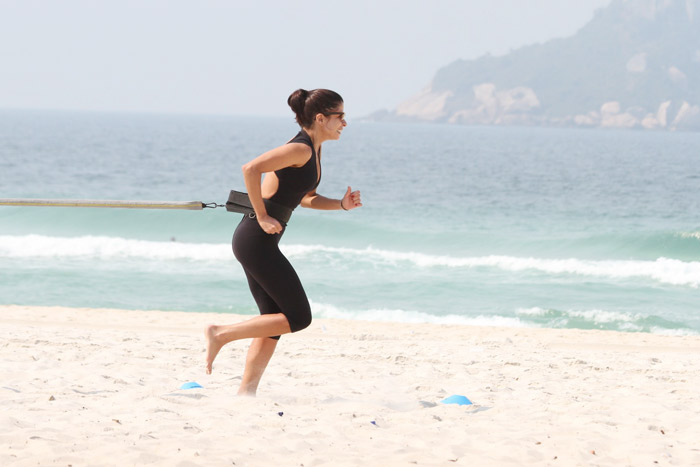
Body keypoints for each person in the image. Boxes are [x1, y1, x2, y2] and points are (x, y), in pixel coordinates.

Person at [204, 88, 362, 395]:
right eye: (340, 116)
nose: (345, 122)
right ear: (321, 118)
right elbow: (250, 169)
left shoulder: (313, 150)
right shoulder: (301, 149)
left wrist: (341, 205)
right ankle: (220, 334)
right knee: (298, 317)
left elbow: (306, 199)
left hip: (258, 241)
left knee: (272, 321)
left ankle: (246, 393)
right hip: (255, 239)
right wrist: (262, 216)